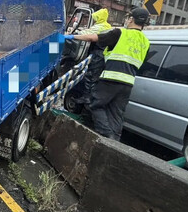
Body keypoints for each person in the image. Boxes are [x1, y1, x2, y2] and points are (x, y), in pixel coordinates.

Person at [64, 8, 151, 141]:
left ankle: (106, 135)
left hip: (111, 78)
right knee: (116, 113)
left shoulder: (120, 33)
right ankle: (114, 141)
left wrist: (71, 36)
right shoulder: (145, 41)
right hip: (128, 83)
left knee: (94, 103)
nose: (127, 20)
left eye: (128, 17)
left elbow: (93, 37)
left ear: (132, 19)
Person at [73, 8, 112, 105]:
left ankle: (87, 99)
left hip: (99, 54)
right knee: (94, 77)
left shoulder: (101, 26)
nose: (94, 20)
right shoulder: (108, 26)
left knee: (91, 76)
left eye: (95, 18)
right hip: (102, 54)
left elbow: (88, 34)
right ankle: (88, 98)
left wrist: (73, 35)